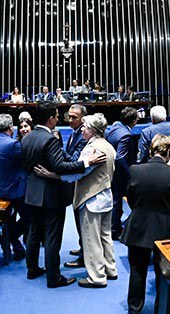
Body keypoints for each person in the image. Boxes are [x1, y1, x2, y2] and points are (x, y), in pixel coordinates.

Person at [21, 102, 105, 288]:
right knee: (52, 237)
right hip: (51, 195)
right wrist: (86, 163)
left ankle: (32, 269)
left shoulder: (26, 137)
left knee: (34, 233)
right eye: (57, 116)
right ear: (51, 119)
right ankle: (54, 277)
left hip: (32, 193)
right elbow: (60, 166)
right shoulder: (49, 139)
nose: (59, 119)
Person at [42, 114, 118, 288]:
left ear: (92, 130)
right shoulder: (108, 146)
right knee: (105, 236)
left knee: (91, 239)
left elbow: (77, 173)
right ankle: (110, 269)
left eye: (85, 127)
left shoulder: (91, 149)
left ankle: (97, 277)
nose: (82, 129)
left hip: (91, 198)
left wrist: (52, 175)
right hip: (106, 196)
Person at [121, 134, 170, 314]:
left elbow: (130, 199)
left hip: (138, 226)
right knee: (163, 274)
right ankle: (161, 309)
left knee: (137, 270)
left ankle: (134, 310)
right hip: (167, 227)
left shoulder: (135, 170)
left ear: (150, 150)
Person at [0, 114, 28, 261]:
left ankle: (16, 247)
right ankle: (10, 238)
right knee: (30, 218)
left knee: (9, 221)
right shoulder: (13, 144)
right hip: (16, 190)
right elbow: (27, 161)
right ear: (11, 127)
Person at [105, 106, 138, 238]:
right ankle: (115, 229)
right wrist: (131, 172)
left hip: (111, 170)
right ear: (134, 121)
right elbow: (120, 157)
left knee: (115, 200)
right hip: (120, 173)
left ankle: (114, 226)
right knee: (118, 200)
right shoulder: (126, 135)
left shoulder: (115, 126)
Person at [63, 103, 89, 266]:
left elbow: (74, 160)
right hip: (75, 185)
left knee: (83, 222)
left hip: (81, 185)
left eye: (74, 117)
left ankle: (84, 257)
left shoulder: (82, 136)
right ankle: (82, 248)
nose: (70, 119)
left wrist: (59, 147)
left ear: (82, 119)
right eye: (69, 116)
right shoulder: (75, 133)